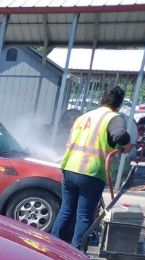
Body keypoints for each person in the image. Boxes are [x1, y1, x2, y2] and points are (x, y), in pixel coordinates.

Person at [50, 87, 132, 248]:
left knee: (66, 210)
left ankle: (52, 247)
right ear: (119, 105)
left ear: (101, 100)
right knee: (84, 215)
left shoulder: (84, 116)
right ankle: (78, 254)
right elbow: (120, 136)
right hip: (91, 171)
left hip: (69, 167)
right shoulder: (114, 117)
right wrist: (127, 145)